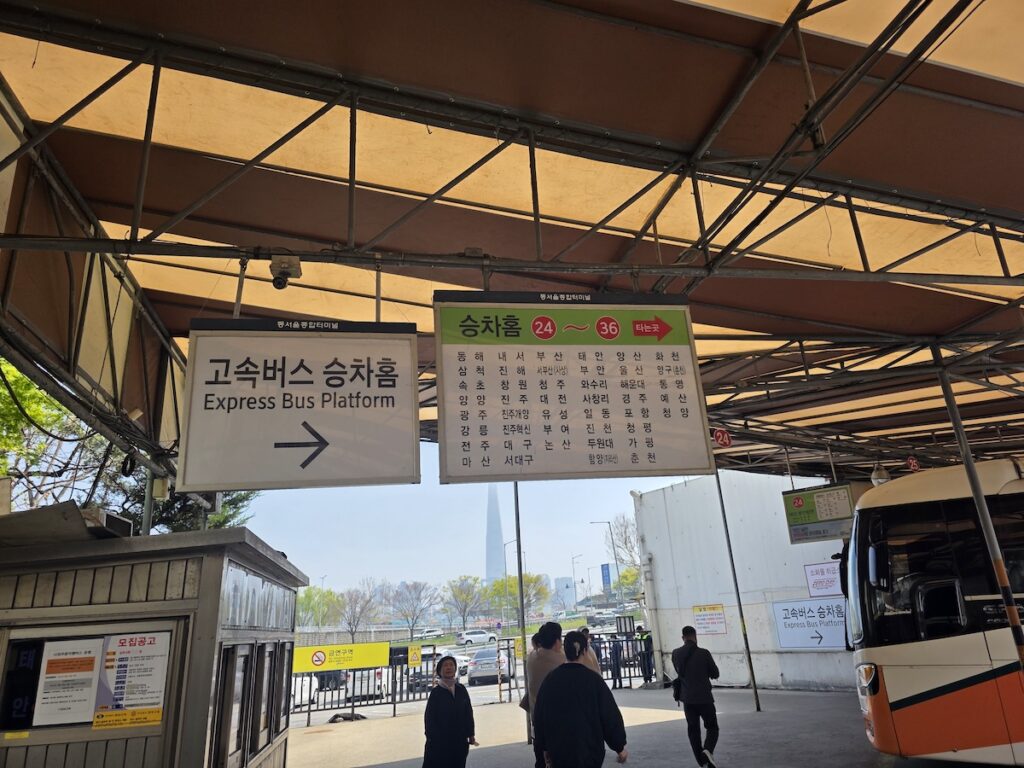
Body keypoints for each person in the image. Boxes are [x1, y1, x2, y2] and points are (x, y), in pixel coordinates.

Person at [533, 630, 628, 767]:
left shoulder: (550, 680)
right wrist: (619, 746)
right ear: (585, 651)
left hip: (559, 751)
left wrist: (543, 747)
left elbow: (539, 716)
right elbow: (609, 715)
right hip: (589, 751)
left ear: (565, 651)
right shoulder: (594, 680)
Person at [672, 626, 721, 768]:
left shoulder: (675, 654)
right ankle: (707, 750)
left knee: (693, 731)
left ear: (683, 638)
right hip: (705, 698)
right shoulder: (704, 653)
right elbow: (715, 673)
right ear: (695, 636)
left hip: (687, 699)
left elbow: (679, 672)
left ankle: (702, 762)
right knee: (712, 727)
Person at [422, 656, 478, 768]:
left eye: (451, 665)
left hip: (459, 741)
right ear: (440, 671)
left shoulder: (461, 689)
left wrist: (471, 734)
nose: (449, 667)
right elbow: (429, 719)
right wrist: (433, 739)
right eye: (445, 665)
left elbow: (468, 713)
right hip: (440, 744)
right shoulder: (436, 693)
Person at [527, 622, 566, 768]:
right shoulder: (562, 659)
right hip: (559, 724)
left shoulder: (531, 658)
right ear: (557, 641)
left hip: (538, 723)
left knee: (541, 761)